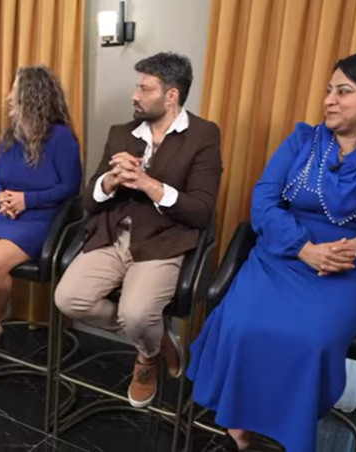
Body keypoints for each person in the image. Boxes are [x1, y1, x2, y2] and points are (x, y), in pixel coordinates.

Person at [187, 51, 356, 452]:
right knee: (242, 326)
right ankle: (240, 428)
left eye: (343, 91)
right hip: (281, 255)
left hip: (343, 267)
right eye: (329, 90)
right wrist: (303, 249)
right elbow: (263, 201)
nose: (329, 100)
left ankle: (285, 429)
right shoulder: (303, 140)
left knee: (312, 341)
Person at [55, 52, 222, 408]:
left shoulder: (203, 135)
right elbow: (88, 199)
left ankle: (146, 357)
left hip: (164, 239)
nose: (135, 95)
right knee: (68, 299)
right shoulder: (122, 133)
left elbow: (201, 210)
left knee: (136, 314)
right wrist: (110, 180)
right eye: (137, 86)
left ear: (171, 95)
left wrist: (149, 184)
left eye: (145, 89)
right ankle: (157, 340)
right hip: (113, 234)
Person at [0, 65, 82, 354]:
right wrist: (2, 196)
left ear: (33, 96)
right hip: (7, 213)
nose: (7, 98)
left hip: (41, 216)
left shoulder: (61, 137)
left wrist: (27, 200)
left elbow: (70, 187)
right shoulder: (10, 136)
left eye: (14, 92)